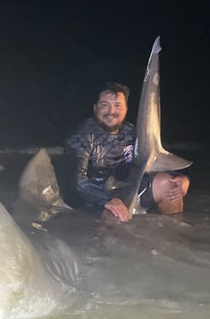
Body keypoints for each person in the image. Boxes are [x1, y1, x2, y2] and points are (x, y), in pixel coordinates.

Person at [63, 82, 189, 222]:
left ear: (126, 109)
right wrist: (107, 200)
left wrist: (181, 179)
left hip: (126, 190)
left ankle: (174, 234)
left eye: (117, 106)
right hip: (94, 198)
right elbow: (76, 181)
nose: (111, 112)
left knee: (170, 185)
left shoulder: (131, 132)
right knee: (114, 215)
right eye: (105, 105)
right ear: (95, 108)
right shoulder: (80, 137)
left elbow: (147, 163)